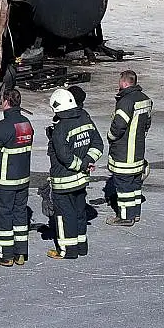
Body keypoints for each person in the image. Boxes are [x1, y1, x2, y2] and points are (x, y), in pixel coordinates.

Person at [46, 88, 103, 259]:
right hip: (82, 179)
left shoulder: (60, 128)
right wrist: (87, 162)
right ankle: (81, 246)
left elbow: (64, 157)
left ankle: (67, 250)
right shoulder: (84, 117)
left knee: (65, 215)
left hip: (64, 180)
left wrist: (80, 165)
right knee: (79, 212)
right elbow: (98, 145)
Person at [0, 89, 34, 264]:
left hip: (5, 181)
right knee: (20, 214)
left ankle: (6, 255)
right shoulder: (26, 124)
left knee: (3, 216)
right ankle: (20, 253)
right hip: (23, 179)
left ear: (6, 102)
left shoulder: (1, 127)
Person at [106, 71, 153, 223]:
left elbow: (119, 125)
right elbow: (147, 124)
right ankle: (135, 213)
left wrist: (110, 137)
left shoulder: (126, 101)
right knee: (135, 183)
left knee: (124, 185)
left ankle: (126, 217)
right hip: (138, 150)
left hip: (124, 151)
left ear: (125, 83)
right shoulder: (145, 99)